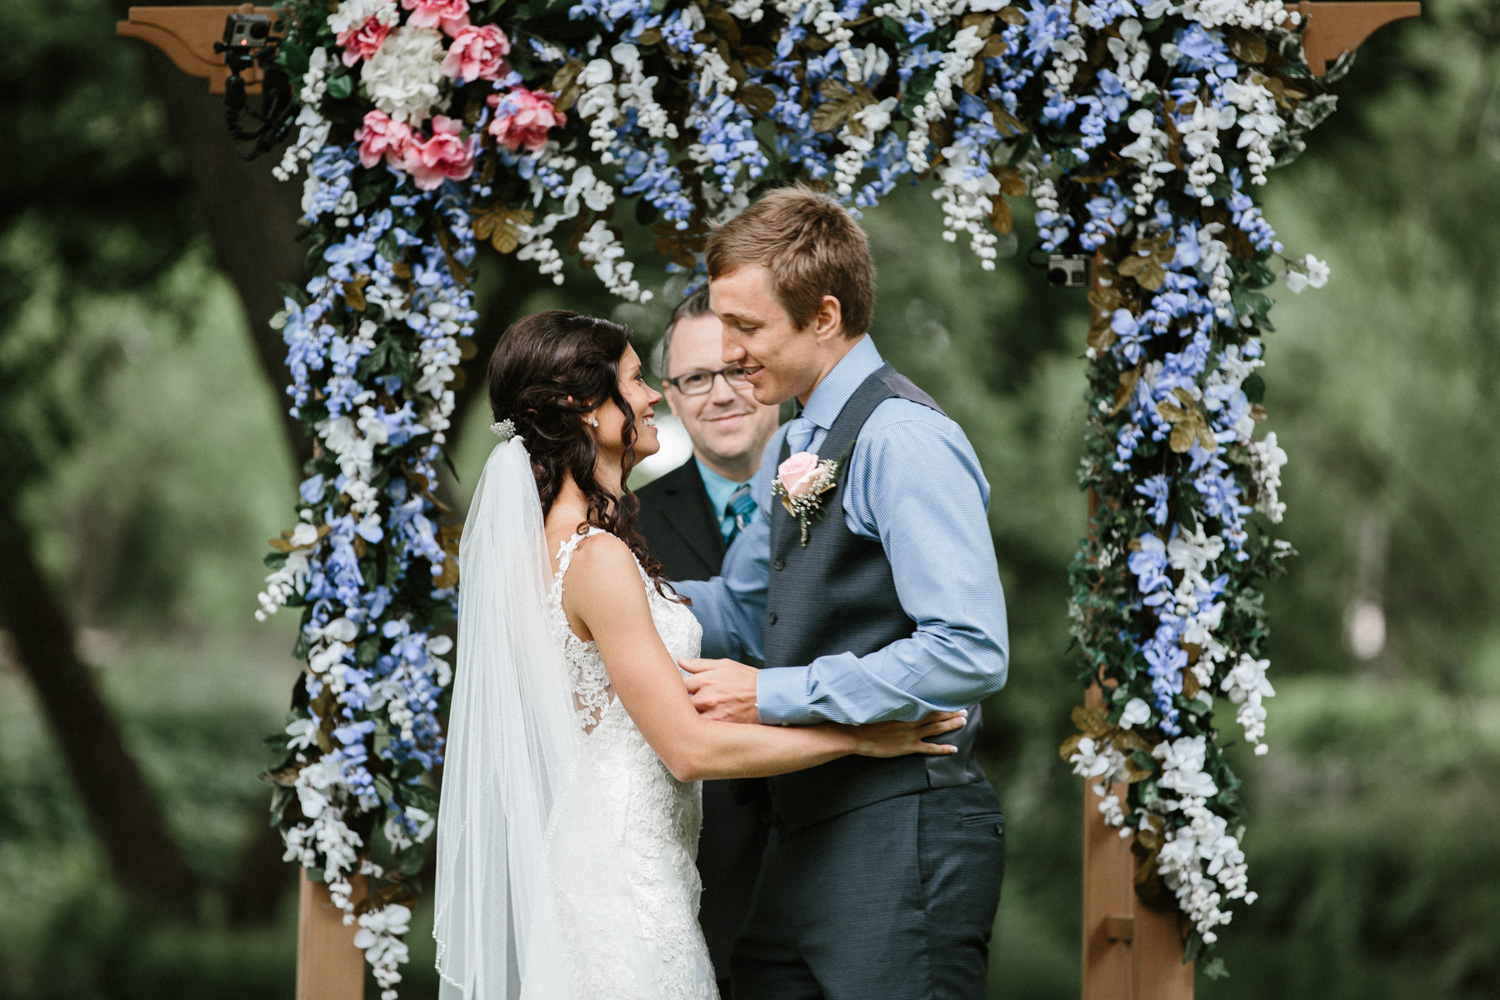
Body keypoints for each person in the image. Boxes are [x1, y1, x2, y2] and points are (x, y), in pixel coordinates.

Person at [431, 310, 968, 1000]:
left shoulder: (554, 546)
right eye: (633, 380)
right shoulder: (595, 559)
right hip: (626, 881)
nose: (654, 394)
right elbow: (688, 749)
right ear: (585, 411)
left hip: (623, 859)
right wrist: (862, 737)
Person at [673, 187, 1012, 1000]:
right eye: (723, 326)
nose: (730, 351)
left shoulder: (904, 441)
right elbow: (741, 610)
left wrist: (772, 696)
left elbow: (969, 649)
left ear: (824, 317)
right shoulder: (796, 440)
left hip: (904, 832)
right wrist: (582, 584)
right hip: (805, 837)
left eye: (746, 328)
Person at [635, 287, 782, 998]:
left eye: (738, 370)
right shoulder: (622, 527)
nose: (720, 394)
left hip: (842, 850)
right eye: (696, 378)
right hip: (696, 874)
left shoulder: (856, 492)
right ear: (669, 394)